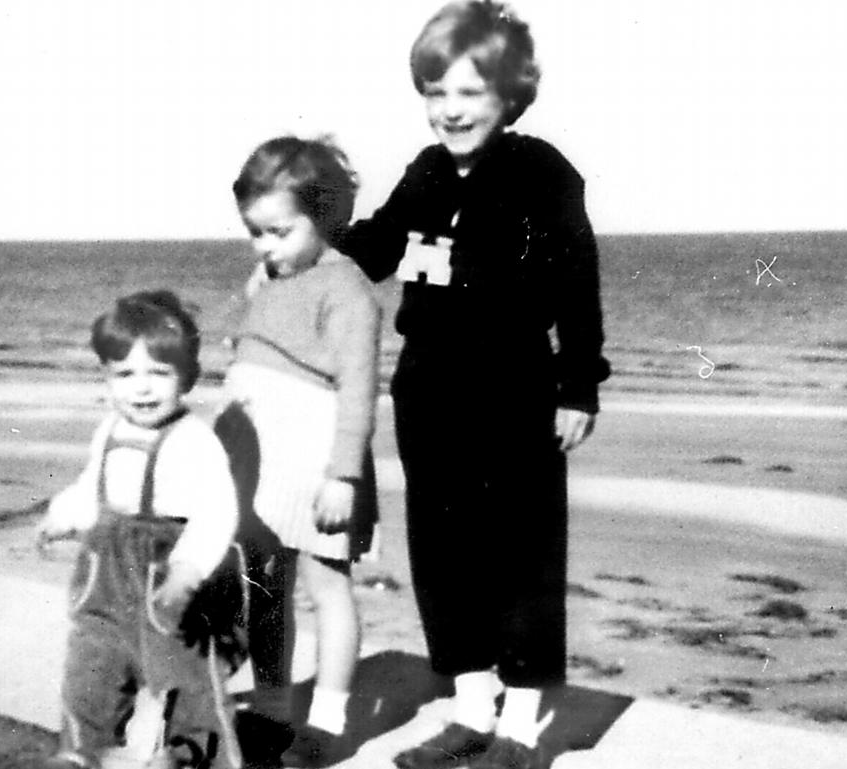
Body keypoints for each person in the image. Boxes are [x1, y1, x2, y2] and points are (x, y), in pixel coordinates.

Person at [334, 3, 611, 769]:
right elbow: (375, 249)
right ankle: (469, 707)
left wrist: (578, 386)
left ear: (511, 93)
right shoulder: (424, 173)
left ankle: (521, 730)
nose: (449, 110)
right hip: (427, 391)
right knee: (444, 554)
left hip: (516, 391)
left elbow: (577, 287)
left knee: (520, 557)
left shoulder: (543, 172)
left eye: (467, 92)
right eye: (435, 92)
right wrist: (313, 241)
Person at [221, 135, 382, 767]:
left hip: (317, 463)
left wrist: (343, 475)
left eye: (279, 232)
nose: (264, 247)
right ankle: (270, 710)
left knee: (327, 587)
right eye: (254, 233)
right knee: (264, 587)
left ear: (325, 216)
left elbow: (359, 391)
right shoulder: (271, 277)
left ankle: (328, 723)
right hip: (261, 461)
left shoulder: (349, 290)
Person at [35, 290, 247, 769]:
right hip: (103, 580)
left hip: (168, 579)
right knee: (90, 671)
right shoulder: (109, 429)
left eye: (159, 373)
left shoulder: (194, 440)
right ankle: (80, 751)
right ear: (107, 378)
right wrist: (63, 516)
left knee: (189, 678)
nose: (143, 389)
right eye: (126, 374)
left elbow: (217, 511)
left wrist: (190, 569)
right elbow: (94, 487)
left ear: (187, 376)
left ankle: (188, 755)